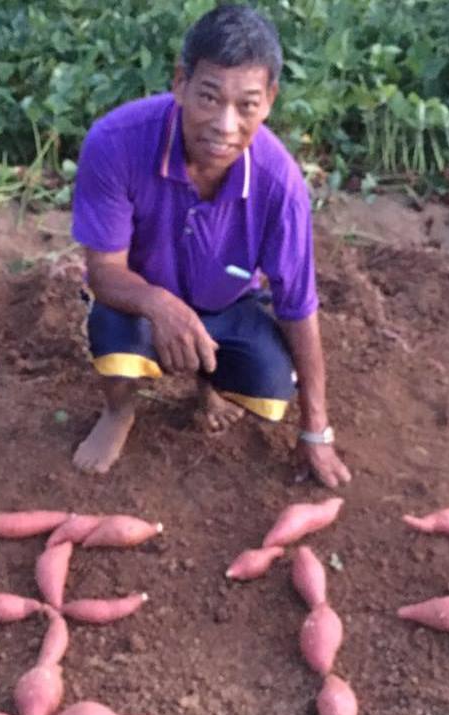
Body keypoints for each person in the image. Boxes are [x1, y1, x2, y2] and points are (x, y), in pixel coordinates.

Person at [69, 4, 351, 488]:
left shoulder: (279, 185)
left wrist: (316, 432)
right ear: (180, 83)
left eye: (246, 105)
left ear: (269, 101)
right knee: (114, 335)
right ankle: (119, 411)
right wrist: (161, 306)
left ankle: (209, 386)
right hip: (137, 302)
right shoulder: (114, 143)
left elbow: (298, 307)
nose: (224, 125)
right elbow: (103, 271)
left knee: (271, 391)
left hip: (229, 305)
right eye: (209, 97)